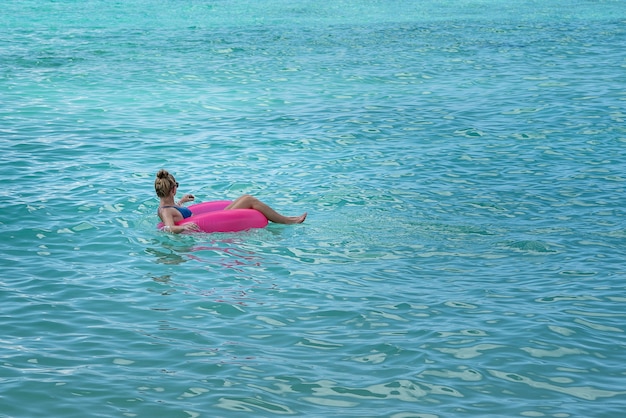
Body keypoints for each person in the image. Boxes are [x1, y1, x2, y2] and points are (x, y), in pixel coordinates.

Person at [155, 169, 307, 233]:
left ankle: (287, 219)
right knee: (248, 199)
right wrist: (183, 227)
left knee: (245, 198)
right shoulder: (166, 211)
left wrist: (182, 201)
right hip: (205, 222)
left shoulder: (166, 206)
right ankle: (287, 220)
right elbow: (169, 228)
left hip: (206, 217)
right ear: (173, 189)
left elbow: (175, 211)